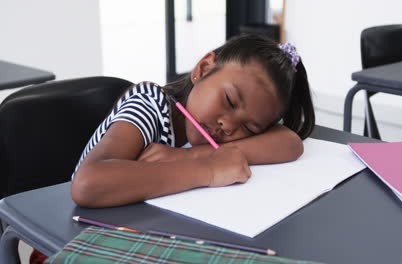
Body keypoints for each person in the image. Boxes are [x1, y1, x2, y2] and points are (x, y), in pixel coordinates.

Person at [71, 34, 315, 208]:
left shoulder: (211, 136)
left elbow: (291, 142)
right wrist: (208, 169)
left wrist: (190, 156)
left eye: (249, 127)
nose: (229, 127)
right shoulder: (149, 104)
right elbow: (88, 184)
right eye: (229, 101)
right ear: (204, 68)